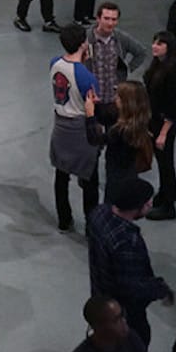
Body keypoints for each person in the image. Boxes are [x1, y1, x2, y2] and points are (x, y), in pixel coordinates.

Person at [88, 177, 174, 346]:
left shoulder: (98, 213)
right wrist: (160, 289)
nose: (150, 205)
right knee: (135, 345)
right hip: (123, 311)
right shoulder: (126, 241)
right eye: (147, 202)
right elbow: (132, 286)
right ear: (135, 207)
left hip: (99, 293)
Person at [51, 24, 101, 232]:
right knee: (90, 180)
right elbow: (93, 102)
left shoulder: (55, 63)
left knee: (61, 176)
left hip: (60, 127)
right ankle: (91, 225)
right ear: (83, 43)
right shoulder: (86, 76)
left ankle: (64, 219)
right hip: (80, 129)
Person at [86, 83, 154, 202]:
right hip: (130, 171)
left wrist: (90, 116)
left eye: (118, 97)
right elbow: (106, 116)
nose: (114, 99)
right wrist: (96, 106)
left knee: (113, 204)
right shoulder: (137, 121)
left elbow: (95, 139)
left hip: (117, 175)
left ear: (126, 103)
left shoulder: (121, 130)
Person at [142, 31, 176, 221]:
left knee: (167, 163)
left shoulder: (173, 72)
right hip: (155, 120)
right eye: (154, 42)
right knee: (162, 162)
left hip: (165, 123)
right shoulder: (157, 66)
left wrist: (163, 134)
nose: (155, 46)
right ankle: (164, 193)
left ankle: (169, 205)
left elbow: (173, 108)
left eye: (160, 44)